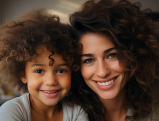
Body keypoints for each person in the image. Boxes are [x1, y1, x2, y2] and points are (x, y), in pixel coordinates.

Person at [69, 0, 159, 121]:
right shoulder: (69, 115)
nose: (102, 72)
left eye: (112, 55)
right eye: (88, 60)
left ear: (133, 55)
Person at [0, 9, 88, 121]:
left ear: (72, 71)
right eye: (39, 71)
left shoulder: (76, 112)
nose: (51, 81)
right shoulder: (11, 111)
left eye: (61, 71)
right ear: (23, 75)